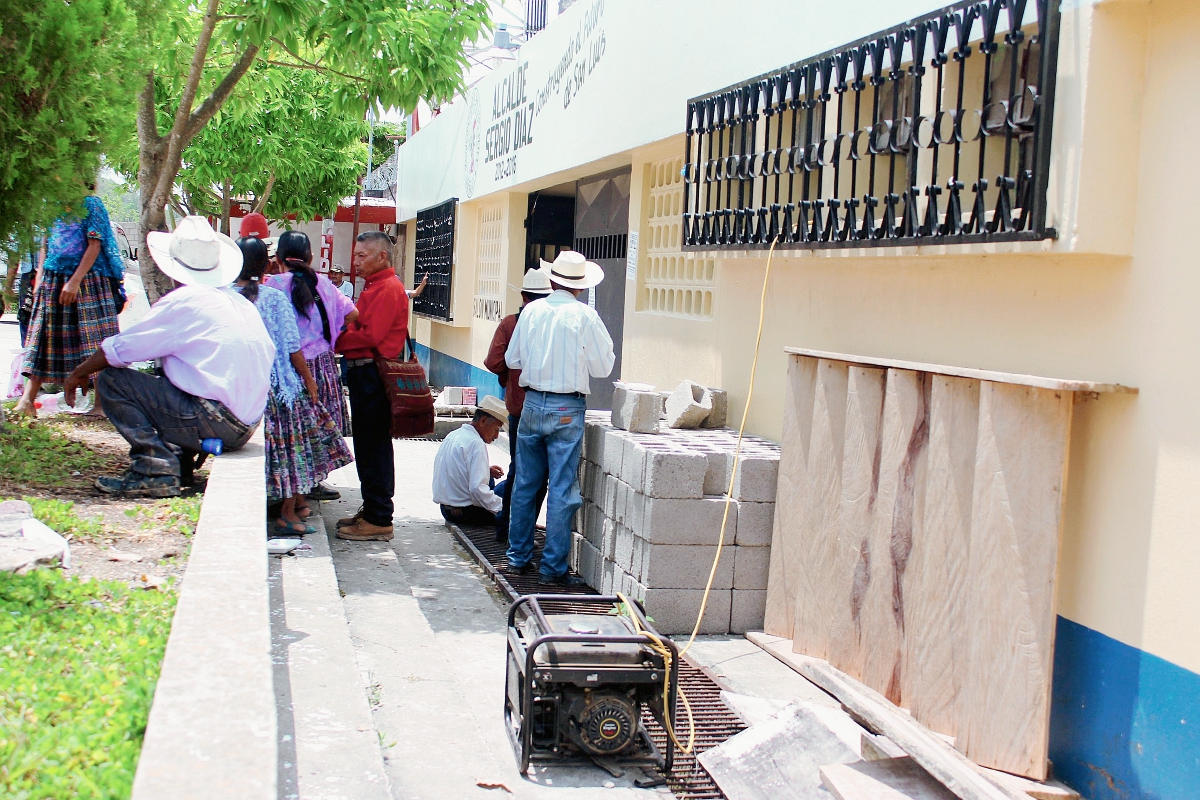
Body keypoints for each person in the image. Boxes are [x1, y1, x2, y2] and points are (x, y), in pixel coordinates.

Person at [62, 216, 275, 497]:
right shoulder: (238, 302)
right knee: (175, 376)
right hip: (246, 423)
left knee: (114, 380)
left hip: (217, 420)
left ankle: (154, 469)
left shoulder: (186, 300)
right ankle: (177, 461)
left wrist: (79, 372)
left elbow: (123, 349)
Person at [504, 251, 615, 586]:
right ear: (580, 287)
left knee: (525, 484)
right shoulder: (585, 317)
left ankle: (517, 557)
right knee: (562, 489)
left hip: (533, 404)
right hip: (567, 409)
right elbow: (603, 367)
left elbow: (513, 358)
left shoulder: (531, 311)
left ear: (551, 281)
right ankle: (552, 569)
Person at [234, 236, 353, 534]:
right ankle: (295, 505)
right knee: (299, 444)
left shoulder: (236, 294)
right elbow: (292, 345)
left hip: (247, 381)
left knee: (285, 445)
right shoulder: (321, 285)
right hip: (300, 373)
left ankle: (289, 505)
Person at [16, 188, 126, 417]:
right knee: (42, 338)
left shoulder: (91, 204)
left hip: (88, 279)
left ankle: (101, 405)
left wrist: (75, 281)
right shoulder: (52, 204)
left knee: (94, 340)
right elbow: (45, 246)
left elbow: (94, 246)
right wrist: (39, 281)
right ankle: (27, 400)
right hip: (53, 278)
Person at [264, 231, 356, 502]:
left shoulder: (273, 285)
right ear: (311, 257)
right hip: (324, 364)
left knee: (293, 428)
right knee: (321, 425)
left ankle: (295, 487)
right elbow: (353, 313)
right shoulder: (325, 284)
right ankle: (314, 482)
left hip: (289, 366)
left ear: (278, 258)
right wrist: (329, 332)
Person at [333, 231, 410, 542]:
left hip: (373, 375)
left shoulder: (388, 288)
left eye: (362, 256)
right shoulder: (376, 286)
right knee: (368, 445)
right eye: (355, 255)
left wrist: (335, 338)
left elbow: (369, 336)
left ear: (382, 257)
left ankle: (379, 517)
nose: (356, 262)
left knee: (373, 446)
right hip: (363, 373)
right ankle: (373, 510)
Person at [484, 266, 552, 543]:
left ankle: (507, 527)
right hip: (548, 408)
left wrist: (509, 378)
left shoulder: (511, 323)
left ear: (523, 295)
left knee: (520, 470)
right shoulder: (552, 323)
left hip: (519, 409)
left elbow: (494, 361)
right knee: (542, 476)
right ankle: (521, 529)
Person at [432, 396, 509, 527]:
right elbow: (477, 489)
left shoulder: (454, 435)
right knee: (512, 485)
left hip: (445, 510)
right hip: (467, 513)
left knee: (489, 480)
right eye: (496, 429)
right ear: (484, 421)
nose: (496, 436)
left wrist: (485, 470)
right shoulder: (476, 443)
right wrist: (507, 511)